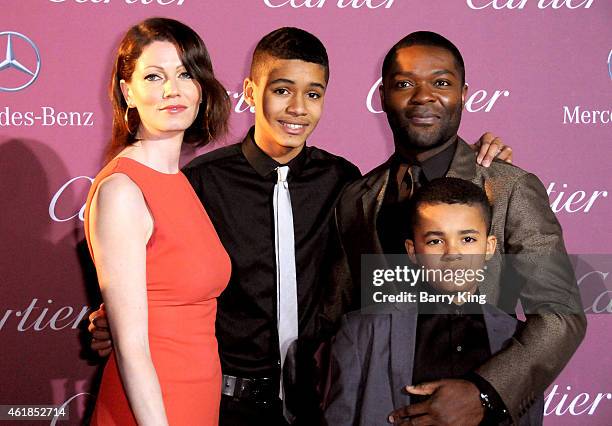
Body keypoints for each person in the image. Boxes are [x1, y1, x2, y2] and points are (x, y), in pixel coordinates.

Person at [88, 27, 512, 425]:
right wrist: (117, 320)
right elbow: (161, 273)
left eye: (313, 93)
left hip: (321, 398)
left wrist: (472, 163)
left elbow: (412, 254)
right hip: (225, 402)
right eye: (281, 90)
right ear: (252, 93)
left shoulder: (347, 182)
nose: (297, 108)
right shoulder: (201, 182)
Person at [325, 31, 586, 425]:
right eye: (405, 84)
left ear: (464, 94)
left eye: (441, 83)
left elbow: (560, 314)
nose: (423, 96)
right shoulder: (356, 197)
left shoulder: (510, 187)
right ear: (382, 96)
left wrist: (485, 392)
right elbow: (338, 317)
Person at [84, 18, 231, 425]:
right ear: (127, 91)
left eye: (185, 73)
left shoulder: (181, 182)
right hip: (151, 408)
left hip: (197, 397)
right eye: (154, 76)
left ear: (201, 88)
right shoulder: (122, 190)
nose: (172, 89)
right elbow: (131, 347)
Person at [324, 177, 545, 425]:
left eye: (468, 239)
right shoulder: (362, 332)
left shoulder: (518, 340)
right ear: (412, 251)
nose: (453, 254)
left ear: (489, 247)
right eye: (435, 241)